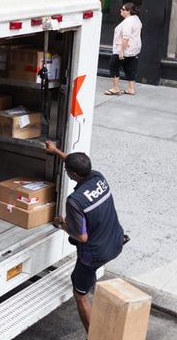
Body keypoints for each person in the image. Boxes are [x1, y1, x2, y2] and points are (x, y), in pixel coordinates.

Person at [45, 140, 125, 334]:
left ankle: (94, 335)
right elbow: (75, 164)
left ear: (73, 175)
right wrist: (56, 151)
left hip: (95, 254)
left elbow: (81, 237)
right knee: (88, 281)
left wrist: (62, 224)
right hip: (116, 241)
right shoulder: (99, 178)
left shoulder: (75, 201)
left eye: (67, 170)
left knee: (80, 294)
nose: (66, 172)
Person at [105, 2, 142, 95]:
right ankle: (131, 88)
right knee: (129, 67)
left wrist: (121, 52)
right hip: (133, 50)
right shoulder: (136, 19)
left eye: (123, 9)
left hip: (124, 49)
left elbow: (125, 38)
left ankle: (115, 88)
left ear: (128, 11)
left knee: (113, 65)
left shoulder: (128, 22)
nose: (120, 10)